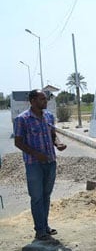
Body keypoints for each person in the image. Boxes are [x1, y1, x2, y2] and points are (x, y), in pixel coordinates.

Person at [14, 90, 67, 240]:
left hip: (50, 162)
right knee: (36, 197)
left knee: (46, 195)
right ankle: (40, 230)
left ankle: (45, 225)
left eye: (45, 99)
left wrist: (58, 144)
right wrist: (36, 154)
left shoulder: (49, 116)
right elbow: (18, 142)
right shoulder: (22, 119)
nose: (45, 101)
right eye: (42, 99)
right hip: (34, 164)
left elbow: (53, 135)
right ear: (32, 101)